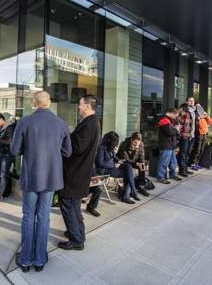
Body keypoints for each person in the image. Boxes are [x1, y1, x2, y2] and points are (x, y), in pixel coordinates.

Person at [10, 91, 72, 272]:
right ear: (49, 102)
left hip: (31, 176)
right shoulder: (61, 124)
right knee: (44, 216)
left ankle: (26, 258)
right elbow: (67, 152)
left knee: (29, 216)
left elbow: (14, 150)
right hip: (51, 177)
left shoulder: (25, 122)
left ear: (34, 103)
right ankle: (39, 259)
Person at [58, 95, 100, 251]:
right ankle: (76, 233)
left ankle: (76, 240)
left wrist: (65, 135)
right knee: (73, 206)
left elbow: (77, 148)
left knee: (68, 205)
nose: (79, 107)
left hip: (75, 173)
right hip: (80, 172)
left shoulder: (90, 124)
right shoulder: (92, 122)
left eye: (81, 105)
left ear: (88, 106)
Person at [95, 131, 140, 204]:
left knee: (128, 166)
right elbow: (100, 163)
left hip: (112, 167)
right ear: (110, 140)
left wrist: (119, 161)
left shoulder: (110, 147)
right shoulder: (101, 148)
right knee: (129, 173)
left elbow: (113, 156)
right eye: (115, 142)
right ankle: (129, 194)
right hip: (106, 170)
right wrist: (114, 165)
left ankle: (132, 192)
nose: (115, 144)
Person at [117, 132, 149, 196]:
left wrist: (141, 163)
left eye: (138, 142)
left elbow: (141, 156)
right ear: (131, 139)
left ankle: (141, 186)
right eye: (135, 142)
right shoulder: (124, 144)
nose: (137, 144)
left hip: (133, 162)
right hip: (124, 162)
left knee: (142, 166)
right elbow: (126, 159)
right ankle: (129, 190)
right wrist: (137, 163)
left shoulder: (141, 144)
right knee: (131, 167)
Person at [156, 108, 182, 184]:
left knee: (173, 162)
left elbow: (172, 132)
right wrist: (176, 129)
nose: (175, 117)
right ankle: (160, 177)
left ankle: (172, 174)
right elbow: (169, 132)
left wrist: (176, 130)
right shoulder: (164, 120)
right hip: (165, 145)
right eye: (175, 115)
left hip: (170, 145)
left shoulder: (169, 120)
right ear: (170, 113)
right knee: (163, 162)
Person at [189, 104, 212, 171]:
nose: (199, 107)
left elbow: (210, 122)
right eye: (197, 106)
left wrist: (207, 116)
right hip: (199, 133)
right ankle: (193, 163)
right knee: (197, 149)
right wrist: (200, 117)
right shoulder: (195, 114)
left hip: (204, 133)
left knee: (201, 149)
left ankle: (197, 163)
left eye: (200, 106)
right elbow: (196, 122)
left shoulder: (203, 114)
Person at [177, 97, 196, 177]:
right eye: (190, 100)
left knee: (188, 153)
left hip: (191, 135)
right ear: (186, 101)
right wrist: (180, 133)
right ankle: (181, 170)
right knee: (183, 153)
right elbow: (178, 122)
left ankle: (185, 168)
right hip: (184, 135)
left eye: (193, 100)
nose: (191, 102)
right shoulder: (183, 110)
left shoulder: (194, 111)